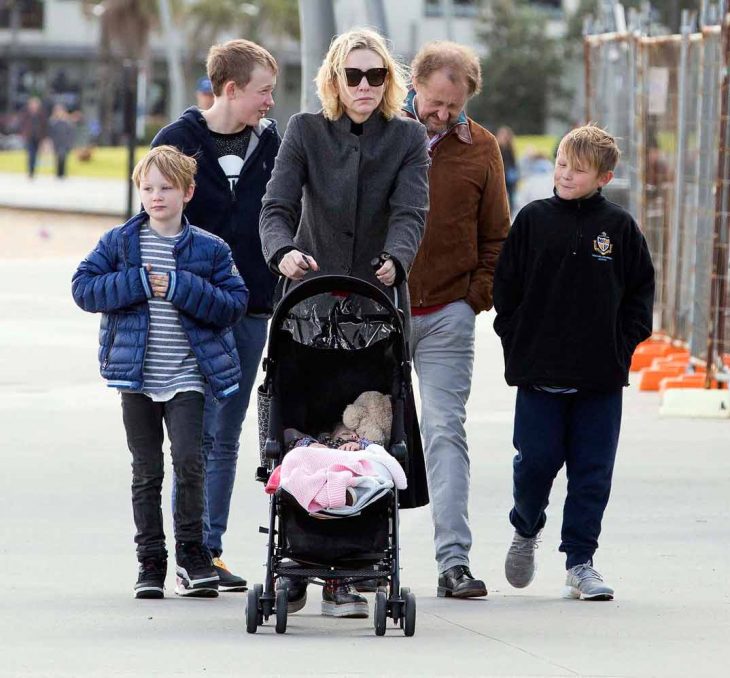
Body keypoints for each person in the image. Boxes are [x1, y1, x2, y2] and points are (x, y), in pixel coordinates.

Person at [259, 27, 429, 617]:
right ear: (334, 80)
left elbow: (411, 211)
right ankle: (300, 561)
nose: (363, 85)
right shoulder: (305, 131)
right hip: (307, 308)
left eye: (375, 75)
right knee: (301, 424)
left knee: (366, 433)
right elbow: (277, 206)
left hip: (375, 310)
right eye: (352, 75)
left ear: (388, 82)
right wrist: (282, 252)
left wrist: (397, 259)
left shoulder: (407, 138)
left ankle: (348, 575)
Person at [71, 145, 249, 599]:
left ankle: (193, 555)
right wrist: (134, 282)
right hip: (138, 379)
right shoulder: (120, 243)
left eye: (166, 188)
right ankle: (151, 560)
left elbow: (234, 304)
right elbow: (84, 289)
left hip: (189, 377)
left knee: (190, 462)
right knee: (146, 470)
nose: (156, 196)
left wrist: (180, 286)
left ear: (187, 192)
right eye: (148, 188)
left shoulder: (210, 249)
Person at [493, 124, 655, 600]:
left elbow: (640, 293)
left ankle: (580, 562)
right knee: (536, 464)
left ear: (604, 177)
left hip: (599, 379)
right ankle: (526, 527)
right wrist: (517, 338)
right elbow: (507, 288)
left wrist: (621, 346)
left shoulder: (620, 228)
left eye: (578, 169)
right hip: (540, 374)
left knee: (592, 473)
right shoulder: (533, 220)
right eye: (561, 163)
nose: (565, 174)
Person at [151, 39, 280, 592]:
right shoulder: (178, 142)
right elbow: (151, 219)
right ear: (232, 90)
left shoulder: (273, 143)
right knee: (193, 435)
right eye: (263, 91)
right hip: (190, 313)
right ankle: (187, 549)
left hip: (253, 307)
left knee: (225, 434)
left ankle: (210, 549)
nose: (270, 102)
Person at [402, 41, 510, 599]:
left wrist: (475, 297)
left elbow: (497, 234)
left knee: (444, 431)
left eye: (454, 106)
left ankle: (454, 563)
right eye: (435, 102)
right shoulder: (382, 133)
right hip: (380, 311)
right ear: (414, 85)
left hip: (448, 311)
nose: (442, 115)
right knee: (366, 434)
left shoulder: (481, 147)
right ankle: (351, 564)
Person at [19, 96, 47, 179]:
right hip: (29, 137)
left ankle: (33, 171)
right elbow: (22, 124)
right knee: (31, 154)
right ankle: (30, 172)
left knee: (36, 155)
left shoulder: (41, 114)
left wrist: (44, 138)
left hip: (38, 137)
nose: (34, 105)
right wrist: (23, 134)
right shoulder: (25, 113)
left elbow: (44, 126)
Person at [48, 103, 75, 179]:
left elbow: (70, 133)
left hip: (65, 143)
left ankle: (63, 173)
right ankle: (58, 174)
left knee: (63, 158)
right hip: (56, 143)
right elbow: (50, 133)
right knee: (57, 158)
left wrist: (70, 143)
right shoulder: (52, 122)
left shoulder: (68, 122)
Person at [496, 125, 519, 213]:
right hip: (501, 175)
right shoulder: (497, 147)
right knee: (501, 196)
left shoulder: (511, 148)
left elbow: (514, 162)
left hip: (510, 176)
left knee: (511, 196)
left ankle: (510, 212)